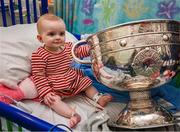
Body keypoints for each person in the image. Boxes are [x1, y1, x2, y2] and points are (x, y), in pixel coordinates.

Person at [31, 13, 113, 128]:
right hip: (55, 85)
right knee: (53, 100)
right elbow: (39, 76)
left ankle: (98, 98)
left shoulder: (68, 47)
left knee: (86, 83)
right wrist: (46, 91)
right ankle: (72, 114)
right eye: (51, 34)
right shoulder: (39, 55)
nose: (58, 37)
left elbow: (79, 51)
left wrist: (91, 49)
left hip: (71, 78)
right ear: (40, 38)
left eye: (61, 33)